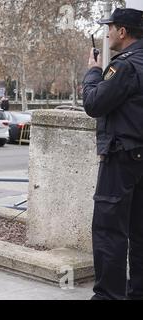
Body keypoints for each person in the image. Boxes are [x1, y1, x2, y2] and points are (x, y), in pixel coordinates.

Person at [83, 7, 143, 300]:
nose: (106, 33)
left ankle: (108, 296)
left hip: (121, 159)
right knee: (140, 233)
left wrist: (93, 72)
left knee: (109, 230)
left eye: (110, 28)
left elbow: (94, 103)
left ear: (123, 32)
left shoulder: (125, 66)